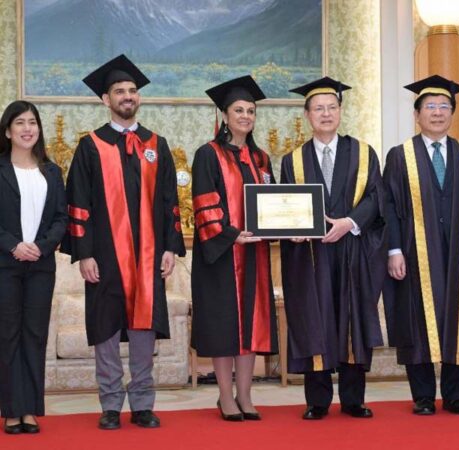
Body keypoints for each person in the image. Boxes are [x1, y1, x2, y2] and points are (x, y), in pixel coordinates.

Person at [62, 54, 186, 430]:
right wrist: (84, 254)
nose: (127, 96)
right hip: (105, 255)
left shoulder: (156, 145)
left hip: (148, 255)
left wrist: (170, 247)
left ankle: (143, 403)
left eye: (132, 90)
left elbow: (169, 201)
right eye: (119, 91)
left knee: (144, 328)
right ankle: (111, 403)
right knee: (106, 329)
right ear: (106, 99)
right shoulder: (91, 146)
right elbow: (78, 202)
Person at [383, 75, 459, 416]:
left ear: (452, 113)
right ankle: (422, 397)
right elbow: (389, 208)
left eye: (444, 106)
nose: (437, 112)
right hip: (415, 252)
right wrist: (393, 250)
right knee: (417, 318)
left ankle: (455, 396)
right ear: (416, 114)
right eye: (430, 106)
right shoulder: (400, 156)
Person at [280, 77, 386, 420]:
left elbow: (376, 197)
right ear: (307, 115)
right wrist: (292, 231)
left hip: (353, 250)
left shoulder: (364, 153)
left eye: (331, 107)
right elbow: (286, 206)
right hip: (311, 256)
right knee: (315, 319)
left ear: (340, 111)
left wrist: (349, 222)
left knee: (353, 319)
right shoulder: (293, 160)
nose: (325, 114)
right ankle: (318, 400)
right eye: (318, 109)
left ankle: (353, 400)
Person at [191, 76, 278, 421]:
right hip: (221, 255)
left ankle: (246, 394)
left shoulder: (261, 158)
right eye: (239, 110)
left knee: (252, 324)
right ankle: (225, 396)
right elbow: (204, 202)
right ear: (225, 116)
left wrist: (286, 227)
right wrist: (230, 234)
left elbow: (273, 204)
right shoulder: (208, 154)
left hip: (254, 254)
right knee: (224, 325)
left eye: (251, 111)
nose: (245, 116)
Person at [0, 101, 67, 434]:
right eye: (20, 123)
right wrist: (13, 245)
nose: (27, 129)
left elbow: (61, 218)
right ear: (8, 130)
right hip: (5, 264)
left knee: (35, 335)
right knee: (8, 334)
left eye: (32, 123)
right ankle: (12, 410)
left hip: (41, 265)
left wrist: (42, 246)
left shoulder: (51, 172)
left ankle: (30, 409)